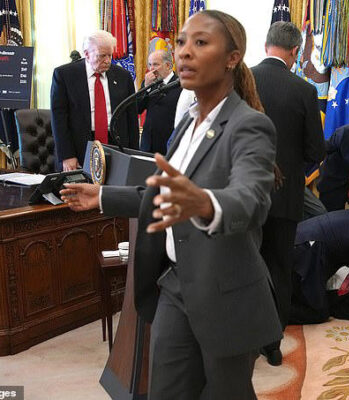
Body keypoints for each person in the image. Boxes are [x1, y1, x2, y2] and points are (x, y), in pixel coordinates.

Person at [60, 10, 282, 400]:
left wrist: (205, 202)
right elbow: (165, 194)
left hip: (224, 291)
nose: (185, 52)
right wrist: (103, 196)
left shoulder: (249, 125)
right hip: (175, 284)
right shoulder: (187, 124)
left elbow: (251, 199)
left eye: (201, 42)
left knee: (226, 393)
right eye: (181, 42)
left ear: (232, 57)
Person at [251, 21, 325, 365]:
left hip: (243, 196)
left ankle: (242, 339)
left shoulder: (241, 80)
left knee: (245, 265)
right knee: (280, 268)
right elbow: (316, 151)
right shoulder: (304, 90)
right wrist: (292, 167)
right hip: (285, 198)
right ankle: (272, 344)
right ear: (295, 51)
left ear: (266, 44)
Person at [51, 30, 139, 171]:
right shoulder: (64, 75)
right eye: (102, 56)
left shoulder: (123, 76)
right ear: (87, 54)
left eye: (110, 55)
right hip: (80, 147)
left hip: (116, 146)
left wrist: (134, 155)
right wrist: (67, 155)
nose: (107, 61)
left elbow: (131, 118)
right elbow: (59, 119)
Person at [138, 49, 182, 155]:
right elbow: (137, 108)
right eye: (150, 65)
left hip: (168, 145)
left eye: (155, 64)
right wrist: (146, 87)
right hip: (147, 145)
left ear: (168, 65)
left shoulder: (180, 85)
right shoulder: (149, 83)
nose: (151, 69)